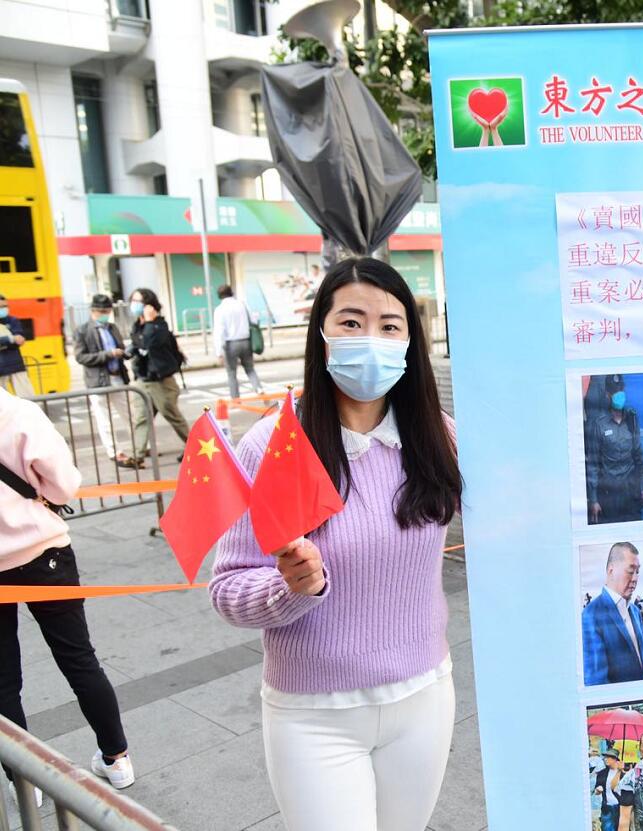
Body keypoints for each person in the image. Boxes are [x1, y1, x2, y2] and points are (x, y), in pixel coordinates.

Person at [211, 257, 462, 831]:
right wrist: (290, 588)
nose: (370, 339)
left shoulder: (438, 437)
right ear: (320, 333)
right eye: (351, 322)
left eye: (390, 325)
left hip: (424, 697)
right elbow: (227, 590)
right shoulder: (276, 445)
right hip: (314, 716)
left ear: (410, 341)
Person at [0, 388, 135, 800]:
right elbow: (63, 485)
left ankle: (25, 780)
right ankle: (116, 758)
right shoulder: (18, 412)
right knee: (79, 659)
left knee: (2, 680)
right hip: (45, 553)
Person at [74, 295, 142, 469]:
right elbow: (81, 357)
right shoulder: (83, 330)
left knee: (130, 414)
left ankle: (141, 446)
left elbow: (121, 348)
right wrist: (108, 354)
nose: (105, 314)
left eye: (107, 311)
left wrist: (124, 352)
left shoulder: (112, 327)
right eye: (101, 311)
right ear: (93, 311)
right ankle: (114, 452)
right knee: (104, 419)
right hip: (98, 381)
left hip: (118, 376)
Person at [126, 289, 190, 457]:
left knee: (172, 415)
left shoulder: (159, 325)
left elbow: (147, 343)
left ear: (149, 305)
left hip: (160, 381)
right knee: (141, 418)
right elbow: (138, 345)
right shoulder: (137, 325)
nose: (134, 305)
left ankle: (194, 447)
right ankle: (137, 455)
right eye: (133, 301)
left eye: (138, 301)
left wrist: (149, 321)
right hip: (142, 378)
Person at [581, 542, 643, 686]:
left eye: (637, 572)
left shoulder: (635, 612)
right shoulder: (591, 615)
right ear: (611, 570)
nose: (635, 578)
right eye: (630, 571)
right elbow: (595, 682)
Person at [585, 375, 643, 524]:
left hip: (630, 489)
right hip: (609, 492)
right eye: (614, 391)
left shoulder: (632, 418)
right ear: (608, 394)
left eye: (620, 390)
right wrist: (593, 499)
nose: (618, 394)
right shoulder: (600, 424)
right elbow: (593, 464)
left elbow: (639, 455)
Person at [212, 284, 263, 401]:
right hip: (246, 341)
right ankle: (259, 389)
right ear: (231, 292)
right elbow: (253, 320)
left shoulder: (220, 310)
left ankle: (236, 399)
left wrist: (219, 352)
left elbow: (219, 331)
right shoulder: (242, 305)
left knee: (231, 373)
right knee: (250, 369)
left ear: (219, 296)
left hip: (230, 345)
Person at [0, 295, 33, 398]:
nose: (3, 309)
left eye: (5, 306)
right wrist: (11, 339)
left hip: (16, 366)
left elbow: (20, 339)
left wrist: (5, 341)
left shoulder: (13, 320)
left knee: (27, 398)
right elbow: (15, 339)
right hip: (1, 369)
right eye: (0, 307)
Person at [594, 749, 623, 831]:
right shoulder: (601, 773)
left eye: (608, 757)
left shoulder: (623, 773)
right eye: (605, 757)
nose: (605, 759)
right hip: (607, 807)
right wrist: (598, 790)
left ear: (615, 759)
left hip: (621, 807)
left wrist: (620, 771)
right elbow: (596, 791)